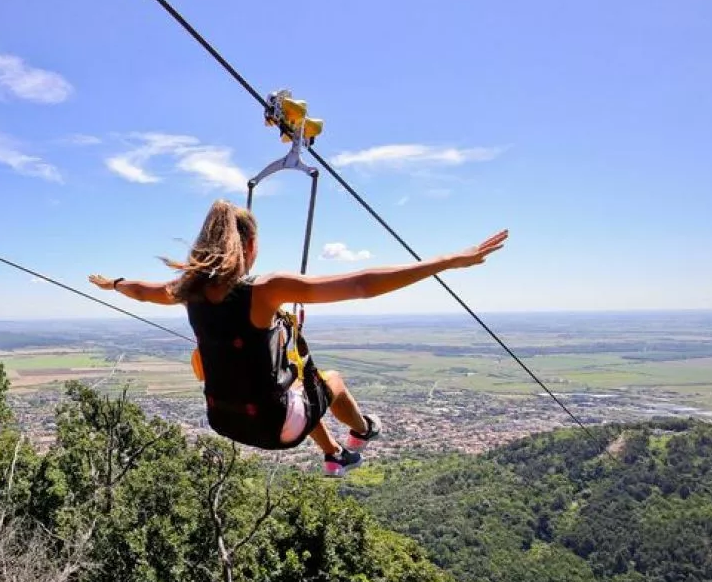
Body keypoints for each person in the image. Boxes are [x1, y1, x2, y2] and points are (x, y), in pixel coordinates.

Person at [89, 200, 507, 477]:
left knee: (300, 383)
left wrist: (114, 284)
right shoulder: (263, 289)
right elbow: (361, 284)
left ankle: (334, 456)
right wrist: (446, 261)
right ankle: (363, 431)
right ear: (249, 246)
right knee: (333, 381)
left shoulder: (186, 290)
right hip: (272, 427)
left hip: (225, 419)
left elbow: (142, 290)